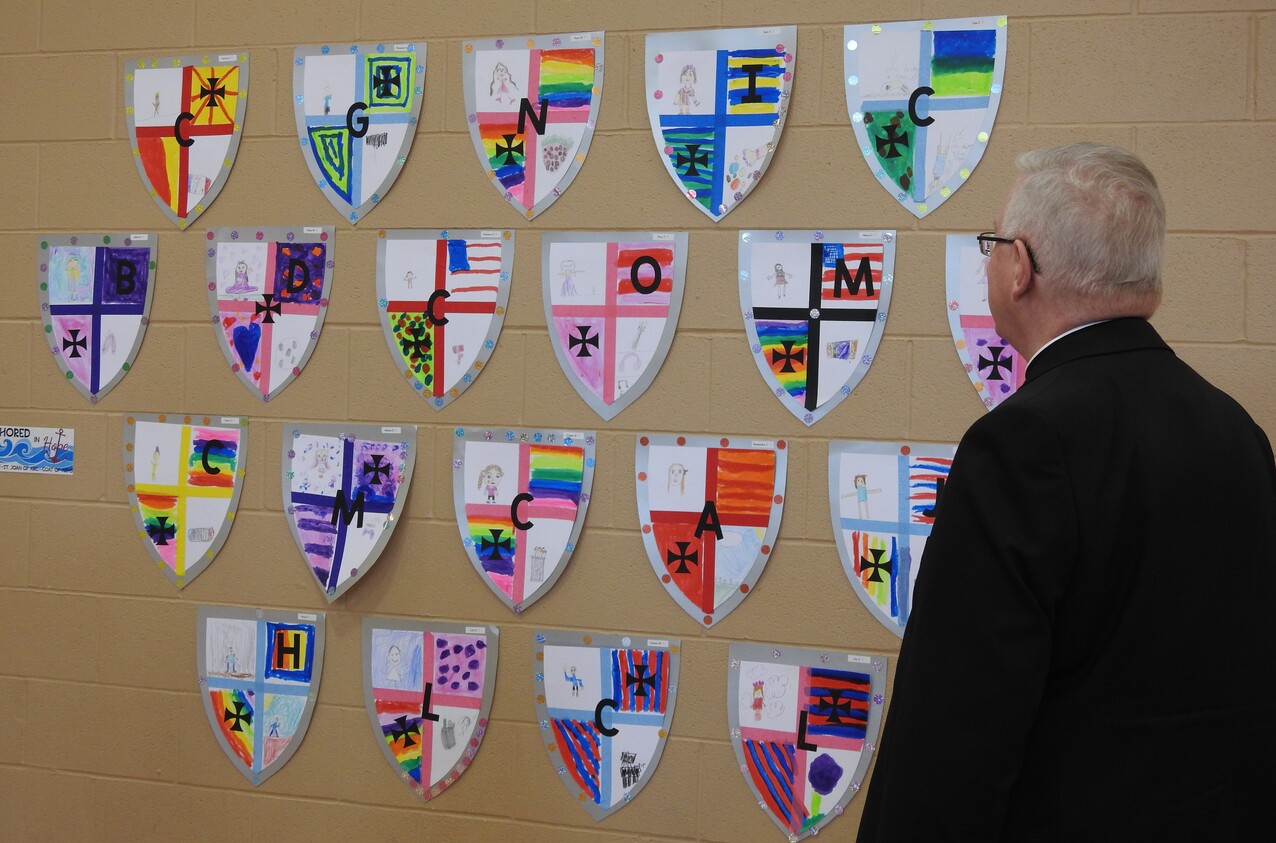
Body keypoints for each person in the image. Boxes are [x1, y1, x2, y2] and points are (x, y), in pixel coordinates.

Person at [857, 144, 1276, 840]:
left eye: (993, 245)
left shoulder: (1020, 447)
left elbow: (953, 734)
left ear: (1020, 267)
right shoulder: (1238, 432)